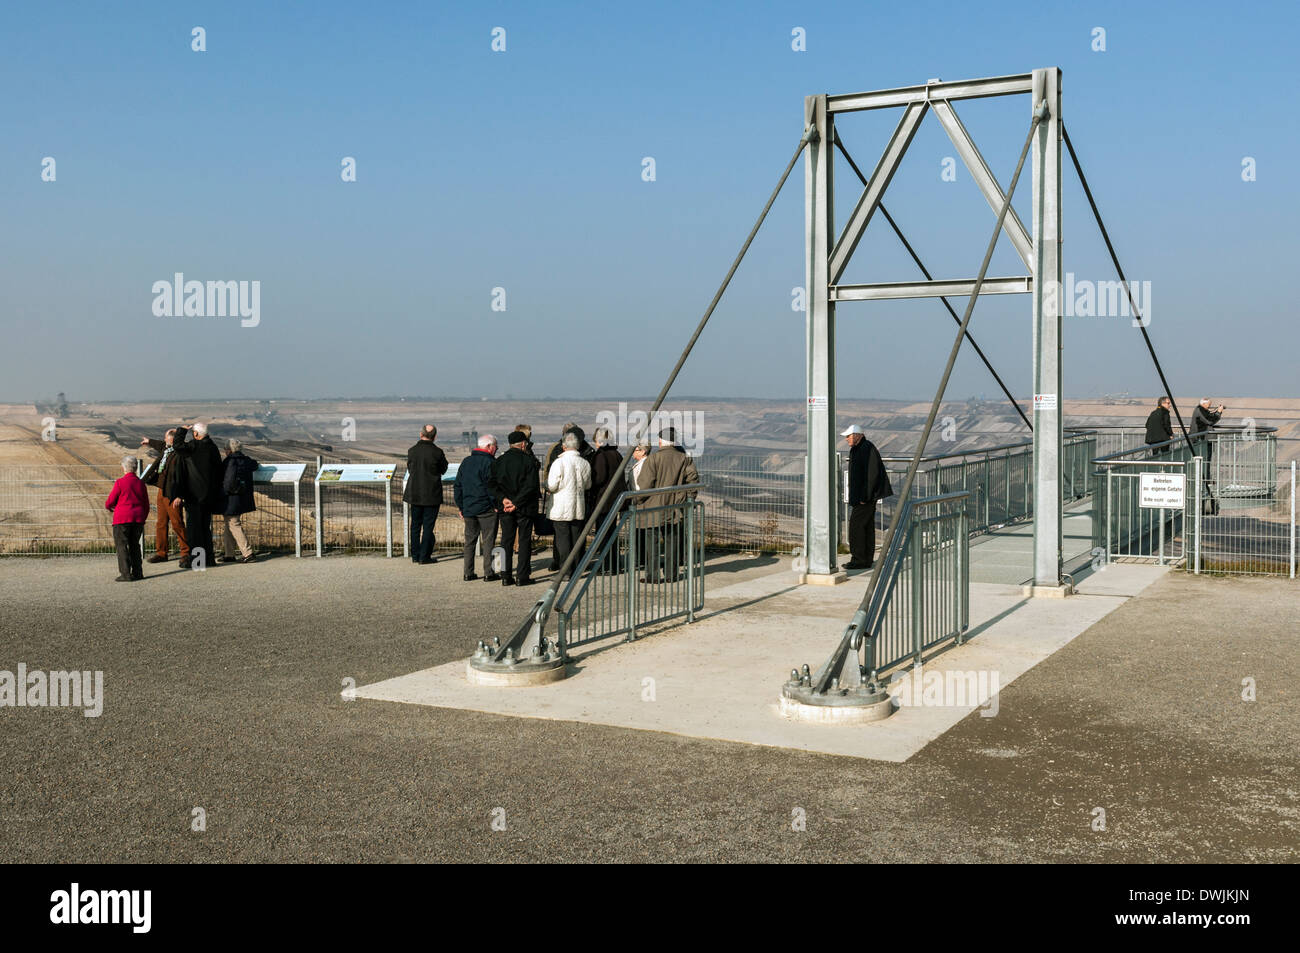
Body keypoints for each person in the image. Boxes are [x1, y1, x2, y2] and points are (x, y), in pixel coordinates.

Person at [635, 427, 700, 583]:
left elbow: (644, 485)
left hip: (653, 507)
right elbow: (693, 481)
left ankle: (653, 575)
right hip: (675, 508)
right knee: (672, 542)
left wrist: (637, 500)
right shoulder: (684, 458)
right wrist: (686, 499)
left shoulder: (653, 459)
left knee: (653, 544)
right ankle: (671, 574)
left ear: (660, 441)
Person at [491, 431, 541, 586]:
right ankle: (522, 576)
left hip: (505, 508)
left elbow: (492, 485)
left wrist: (504, 500)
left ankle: (505, 575)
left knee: (506, 540)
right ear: (524, 444)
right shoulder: (529, 461)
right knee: (524, 541)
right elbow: (531, 486)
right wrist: (517, 502)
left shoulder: (499, 461)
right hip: (525, 507)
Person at [172, 422, 224, 568]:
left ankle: (198, 561)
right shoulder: (212, 447)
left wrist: (181, 430)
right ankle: (209, 559)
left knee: (195, 530)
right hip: (209, 495)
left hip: (194, 496)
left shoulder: (194, 447)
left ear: (195, 434)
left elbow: (177, 446)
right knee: (205, 529)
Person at [842, 424, 893, 571]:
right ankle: (865, 559)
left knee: (856, 527)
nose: (846, 439)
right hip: (863, 496)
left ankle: (858, 559)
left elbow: (872, 475)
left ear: (857, 435)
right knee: (867, 526)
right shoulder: (860, 448)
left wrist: (865, 496)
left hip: (865, 498)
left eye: (848, 436)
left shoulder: (866, 448)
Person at [139, 426, 190, 564]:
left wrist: (180, 495)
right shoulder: (167, 449)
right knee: (161, 523)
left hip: (173, 492)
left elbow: (182, 477)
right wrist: (149, 441)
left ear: (172, 440)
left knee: (177, 523)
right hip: (162, 490)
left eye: (166, 437)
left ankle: (186, 552)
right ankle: (161, 553)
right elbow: (160, 444)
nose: (163, 440)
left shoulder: (179, 454)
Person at [454, 434, 500, 581]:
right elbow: (491, 487)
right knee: (488, 541)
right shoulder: (490, 463)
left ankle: (468, 572)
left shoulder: (466, 462)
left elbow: (458, 486)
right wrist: (495, 504)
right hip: (486, 508)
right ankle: (489, 572)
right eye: (495, 447)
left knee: (469, 541)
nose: (496, 450)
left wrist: (461, 506)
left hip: (468, 508)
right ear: (489, 446)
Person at [546, 431, 592, 577]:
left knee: (563, 540)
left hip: (560, 507)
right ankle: (578, 568)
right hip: (578, 506)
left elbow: (552, 485)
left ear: (564, 446)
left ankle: (566, 571)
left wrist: (547, 486)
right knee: (577, 539)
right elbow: (588, 485)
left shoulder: (558, 463)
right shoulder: (585, 463)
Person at [403, 425, 449, 564]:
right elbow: (444, 469)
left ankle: (415, 555)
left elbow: (410, 468)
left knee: (415, 526)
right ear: (435, 436)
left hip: (415, 493)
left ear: (420, 434)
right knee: (428, 527)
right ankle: (425, 556)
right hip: (432, 494)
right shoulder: (437, 452)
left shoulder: (412, 451)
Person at [105, 455, 150, 582]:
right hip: (138, 519)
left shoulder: (120, 482)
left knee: (122, 546)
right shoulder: (141, 484)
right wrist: (142, 517)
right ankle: (138, 572)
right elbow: (146, 504)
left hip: (122, 519)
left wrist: (109, 507)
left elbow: (110, 501)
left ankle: (125, 574)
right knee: (135, 545)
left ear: (124, 468)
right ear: (135, 468)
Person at [588, 427, 626, 573]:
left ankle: (606, 565)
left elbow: (599, 478)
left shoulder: (601, 456)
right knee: (611, 534)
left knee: (603, 535)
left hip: (603, 501)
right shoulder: (616, 454)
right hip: (615, 500)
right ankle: (614, 564)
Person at [219, 439, 259, 563]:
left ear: (229, 450)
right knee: (229, 524)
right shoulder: (247, 461)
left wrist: (223, 492)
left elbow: (228, 483)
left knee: (233, 524)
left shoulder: (230, 462)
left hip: (231, 498)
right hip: (243, 497)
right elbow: (255, 464)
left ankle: (248, 553)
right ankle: (229, 554)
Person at [1192, 397, 1225, 462]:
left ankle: (1205, 472)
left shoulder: (1202, 410)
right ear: (1204, 404)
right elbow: (1209, 421)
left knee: (1206, 459)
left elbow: (1209, 416)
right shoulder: (1200, 410)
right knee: (1205, 459)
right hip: (1201, 439)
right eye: (1209, 404)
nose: (1209, 406)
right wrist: (1218, 412)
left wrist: (1217, 411)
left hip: (1204, 438)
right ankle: (1204, 472)